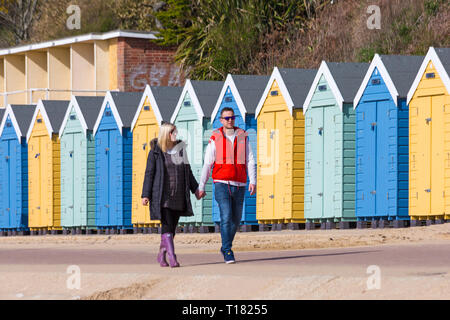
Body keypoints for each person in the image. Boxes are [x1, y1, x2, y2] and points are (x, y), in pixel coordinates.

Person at [198, 108, 256, 263]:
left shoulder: (243, 136)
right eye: (227, 118)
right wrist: (201, 186)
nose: (230, 120)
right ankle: (228, 250)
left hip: (240, 184)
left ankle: (225, 246)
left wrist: (253, 180)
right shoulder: (215, 137)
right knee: (226, 215)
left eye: (232, 117)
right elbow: (208, 163)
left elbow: (250, 159)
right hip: (221, 183)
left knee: (236, 220)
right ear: (221, 120)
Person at [141, 122, 204, 268]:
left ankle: (161, 254)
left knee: (171, 228)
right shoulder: (155, 152)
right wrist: (146, 195)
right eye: (172, 132)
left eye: (175, 132)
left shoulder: (180, 151)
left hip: (179, 195)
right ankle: (172, 257)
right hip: (162, 196)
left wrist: (196, 190)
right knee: (168, 225)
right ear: (166, 134)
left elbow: (188, 172)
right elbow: (149, 174)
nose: (175, 135)